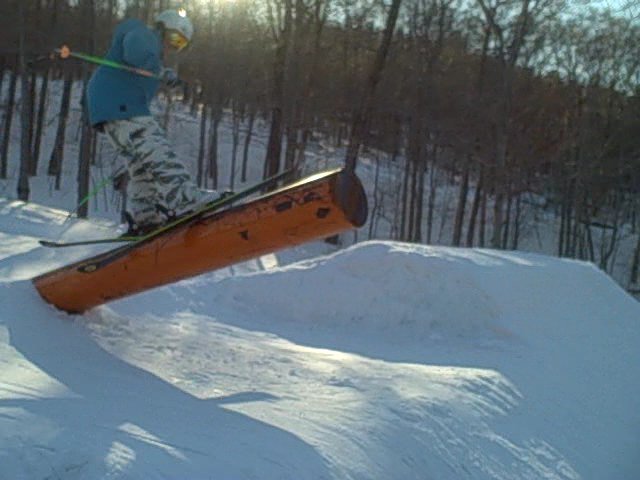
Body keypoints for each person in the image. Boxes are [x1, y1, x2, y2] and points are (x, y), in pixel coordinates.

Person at [87, 9, 219, 234]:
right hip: (122, 106)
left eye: (181, 45)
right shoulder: (143, 33)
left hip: (111, 110)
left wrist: (163, 73)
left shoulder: (150, 49)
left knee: (142, 168)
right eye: (175, 39)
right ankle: (186, 199)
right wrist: (159, 69)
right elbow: (135, 50)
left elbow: (141, 61)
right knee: (157, 151)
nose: (174, 47)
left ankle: (145, 216)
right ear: (163, 28)